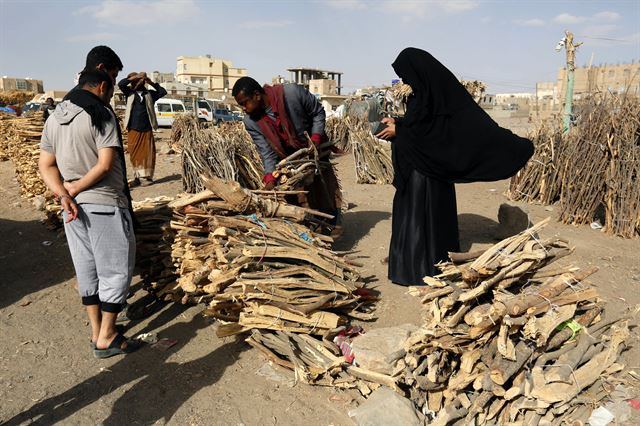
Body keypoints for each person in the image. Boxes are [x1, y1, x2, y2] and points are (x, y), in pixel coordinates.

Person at [376, 47, 534, 285]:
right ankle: (408, 265)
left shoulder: (445, 99)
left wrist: (401, 132)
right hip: (418, 172)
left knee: (424, 222)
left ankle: (423, 270)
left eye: (407, 74)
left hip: (429, 176)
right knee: (414, 220)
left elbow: (440, 136)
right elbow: (420, 126)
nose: (405, 80)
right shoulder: (422, 96)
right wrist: (398, 123)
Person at [38, 69, 138, 358]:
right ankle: (107, 335)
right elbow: (106, 164)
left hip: (72, 209)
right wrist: (78, 188)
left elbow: (45, 165)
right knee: (116, 269)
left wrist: (64, 194)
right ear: (103, 86)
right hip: (104, 203)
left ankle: (95, 331)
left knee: (87, 269)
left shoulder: (55, 117)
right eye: (110, 90)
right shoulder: (100, 113)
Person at [232, 76, 342, 234]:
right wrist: (269, 177)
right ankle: (310, 230)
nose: (243, 108)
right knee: (298, 196)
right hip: (290, 159)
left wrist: (316, 138)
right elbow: (266, 151)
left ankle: (332, 223)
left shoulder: (291, 93)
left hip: (314, 149)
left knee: (324, 188)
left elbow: (317, 112)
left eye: (244, 103)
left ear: (257, 95)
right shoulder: (251, 122)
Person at [118, 72, 167, 186]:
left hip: (146, 128)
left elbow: (163, 92)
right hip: (133, 127)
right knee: (134, 153)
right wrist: (135, 77)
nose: (138, 82)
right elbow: (121, 84)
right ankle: (137, 177)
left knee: (147, 153)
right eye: (135, 81)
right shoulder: (129, 93)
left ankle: (146, 178)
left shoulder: (149, 94)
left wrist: (150, 82)